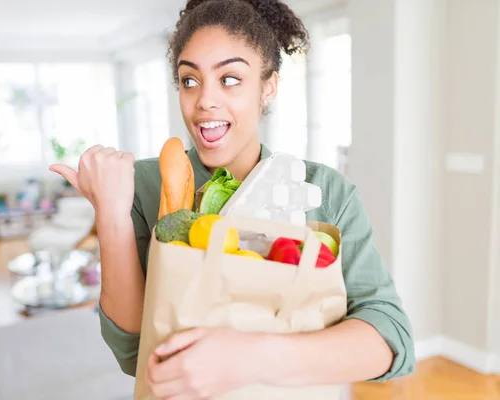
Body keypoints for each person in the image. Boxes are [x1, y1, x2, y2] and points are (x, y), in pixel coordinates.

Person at [50, 0, 416, 398]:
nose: (204, 100)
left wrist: (249, 358)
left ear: (268, 87)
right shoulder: (142, 183)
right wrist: (111, 215)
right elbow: (132, 351)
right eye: (189, 80)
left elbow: (391, 338)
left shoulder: (325, 192)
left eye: (229, 79)